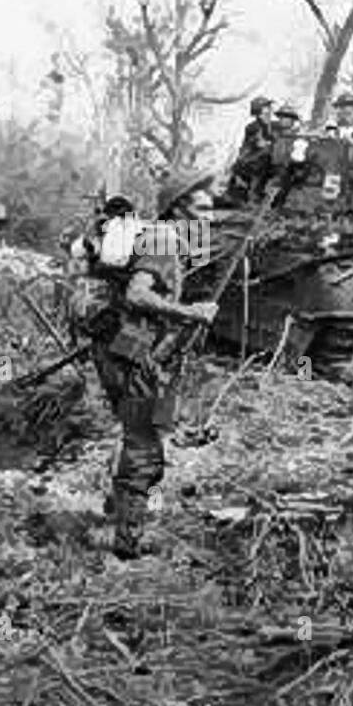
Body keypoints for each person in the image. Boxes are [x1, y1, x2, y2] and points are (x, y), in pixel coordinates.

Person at [87, 170, 219, 559]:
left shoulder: (162, 238)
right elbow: (137, 293)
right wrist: (189, 312)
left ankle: (116, 517)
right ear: (179, 208)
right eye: (203, 208)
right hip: (133, 355)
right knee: (144, 447)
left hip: (123, 350)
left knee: (138, 436)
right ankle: (128, 542)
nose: (210, 217)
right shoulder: (164, 241)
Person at [226, 96, 275, 203]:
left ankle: (254, 195)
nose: (270, 109)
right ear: (259, 110)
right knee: (263, 164)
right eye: (267, 107)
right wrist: (266, 142)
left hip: (257, 158)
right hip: (250, 160)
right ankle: (253, 196)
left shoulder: (266, 124)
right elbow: (259, 143)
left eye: (269, 106)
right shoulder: (254, 126)